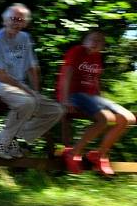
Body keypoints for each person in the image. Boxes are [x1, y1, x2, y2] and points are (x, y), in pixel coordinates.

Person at [0, 3, 64, 159]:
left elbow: (32, 67)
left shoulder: (25, 38)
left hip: (16, 84)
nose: (16, 22)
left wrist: (36, 92)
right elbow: (0, 75)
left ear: (25, 23)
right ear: (5, 20)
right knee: (27, 102)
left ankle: (10, 138)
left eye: (20, 20)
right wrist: (28, 92)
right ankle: (0, 142)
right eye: (13, 18)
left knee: (55, 110)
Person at [57, 30, 135, 175]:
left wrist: (101, 99)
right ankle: (73, 153)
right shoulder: (76, 51)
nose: (95, 43)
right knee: (105, 119)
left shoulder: (97, 57)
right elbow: (65, 76)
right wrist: (65, 100)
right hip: (74, 95)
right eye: (92, 39)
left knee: (128, 118)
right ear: (84, 41)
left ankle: (99, 154)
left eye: (99, 41)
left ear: (102, 46)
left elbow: (95, 81)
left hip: (92, 97)